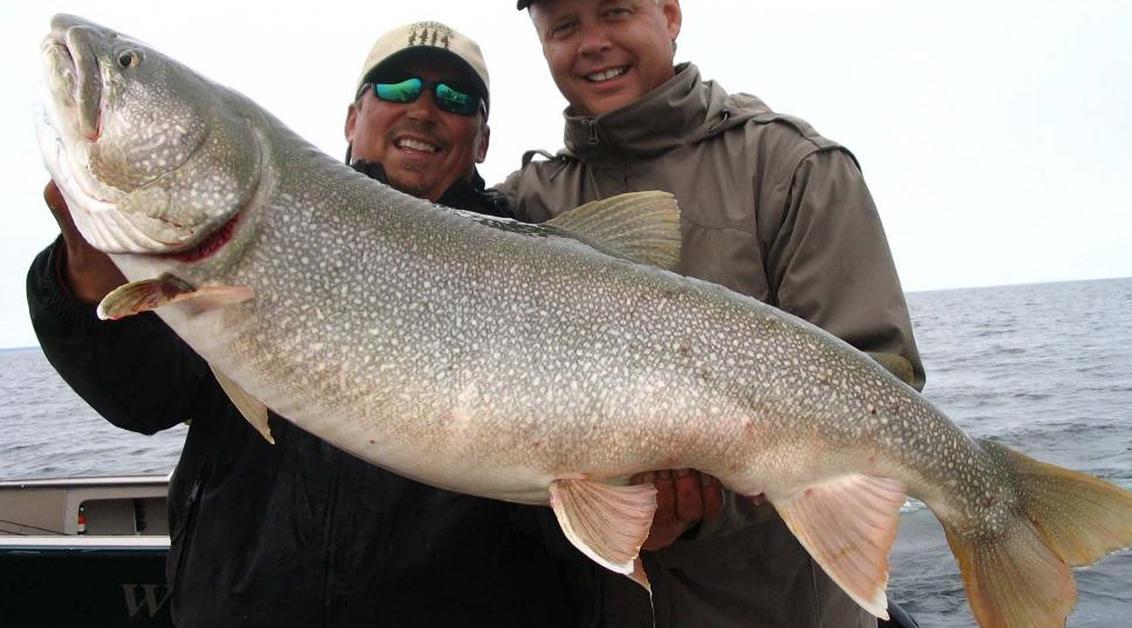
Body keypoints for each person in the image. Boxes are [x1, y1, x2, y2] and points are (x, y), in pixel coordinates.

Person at [27, 21, 585, 628]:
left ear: (481, 140)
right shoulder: (237, 239)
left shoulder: (540, 264)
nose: (423, 109)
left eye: (454, 99)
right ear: (352, 118)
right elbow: (142, 397)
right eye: (397, 87)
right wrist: (81, 285)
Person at [498, 1, 925, 627]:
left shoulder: (793, 167)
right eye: (564, 27)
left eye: (614, 11)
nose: (591, 43)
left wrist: (708, 508)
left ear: (670, 15)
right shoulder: (520, 206)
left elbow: (877, 391)